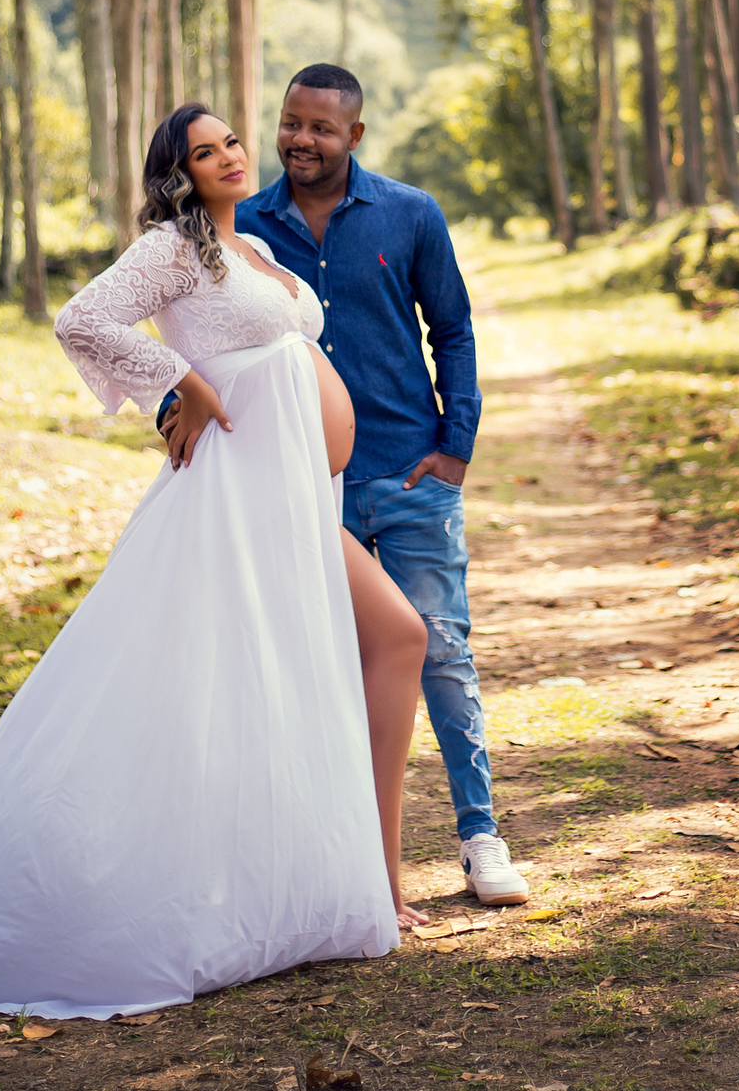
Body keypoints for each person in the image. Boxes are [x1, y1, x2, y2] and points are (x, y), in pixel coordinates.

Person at [0, 103, 426, 1022]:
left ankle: (371, 887)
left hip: (294, 500)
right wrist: (181, 381)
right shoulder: (176, 247)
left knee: (396, 639)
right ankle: (289, 892)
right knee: (219, 686)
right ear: (182, 173)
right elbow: (81, 319)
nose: (230, 156)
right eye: (205, 152)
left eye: (231, 141)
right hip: (238, 503)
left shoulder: (259, 253)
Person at [163, 65, 528, 908]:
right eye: (290, 122)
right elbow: (185, 325)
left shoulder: (410, 213)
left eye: (322, 128)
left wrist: (456, 447)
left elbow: (455, 331)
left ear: (354, 136)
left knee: (438, 649)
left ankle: (480, 838)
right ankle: (332, 860)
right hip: (295, 488)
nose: (301, 140)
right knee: (307, 665)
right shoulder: (240, 228)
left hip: (407, 473)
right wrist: (173, 392)